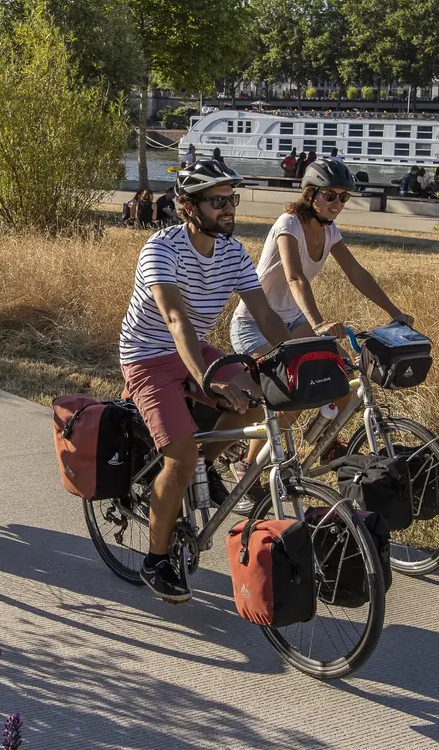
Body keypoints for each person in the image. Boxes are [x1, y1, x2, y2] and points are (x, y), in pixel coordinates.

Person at [118, 159, 292, 602]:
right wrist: (208, 380)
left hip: (196, 350)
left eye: (232, 199)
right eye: (218, 201)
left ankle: (207, 463)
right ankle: (156, 560)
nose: (229, 209)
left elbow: (266, 314)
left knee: (259, 400)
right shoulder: (161, 249)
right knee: (179, 455)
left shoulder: (233, 253)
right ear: (187, 207)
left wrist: (300, 356)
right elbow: (174, 317)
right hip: (148, 358)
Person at [231, 158, 412, 357]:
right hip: (255, 322)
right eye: (330, 195)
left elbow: (356, 272)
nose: (337, 204)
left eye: (344, 197)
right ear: (310, 195)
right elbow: (295, 277)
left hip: (295, 320)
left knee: (343, 368)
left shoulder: (330, 230)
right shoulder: (289, 223)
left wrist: (394, 312)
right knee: (285, 379)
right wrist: (319, 325)